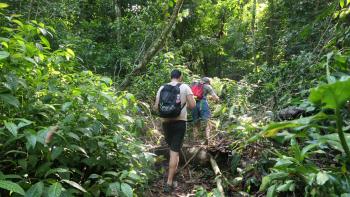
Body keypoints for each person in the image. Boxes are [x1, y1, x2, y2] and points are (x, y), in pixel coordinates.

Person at [154, 69, 196, 193]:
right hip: (179, 123)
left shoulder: (162, 88)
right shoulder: (185, 87)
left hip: (166, 123)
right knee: (174, 151)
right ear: (180, 76)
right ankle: (169, 182)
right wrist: (183, 106)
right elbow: (193, 105)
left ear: (170, 76)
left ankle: (172, 173)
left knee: (173, 149)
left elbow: (156, 107)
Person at [191, 77, 219, 144]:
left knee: (196, 122)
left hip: (193, 104)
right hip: (203, 103)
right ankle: (208, 139)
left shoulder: (193, 84)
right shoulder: (207, 86)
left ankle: (196, 140)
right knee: (208, 121)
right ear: (208, 82)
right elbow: (215, 97)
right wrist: (217, 100)